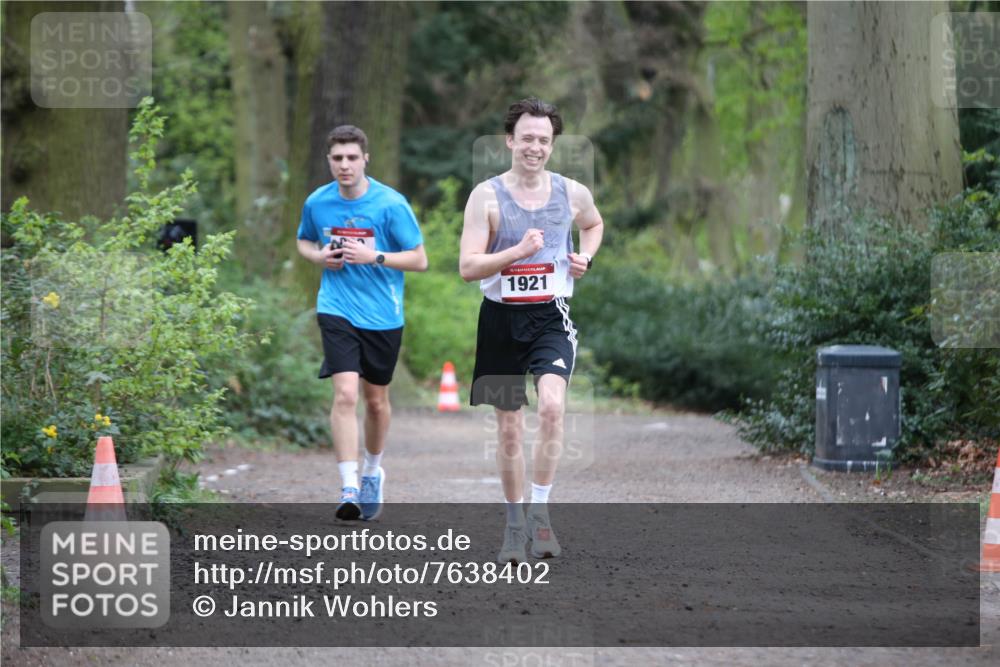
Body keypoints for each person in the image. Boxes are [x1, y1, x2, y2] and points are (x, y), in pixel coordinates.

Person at [459, 98, 604, 563]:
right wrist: (517, 252)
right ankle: (513, 526)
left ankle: (540, 518)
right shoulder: (486, 196)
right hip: (499, 320)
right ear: (510, 141)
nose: (535, 147)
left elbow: (594, 223)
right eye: (527, 139)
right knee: (507, 432)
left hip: (550, 317)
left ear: (552, 144)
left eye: (543, 140)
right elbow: (467, 267)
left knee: (553, 409)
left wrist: (586, 256)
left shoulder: (572, 192)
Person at [296, 125, 427, 521]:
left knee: (376, 402)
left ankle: (372, 470)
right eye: (337, 158)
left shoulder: (390, 204)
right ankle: (349, 485)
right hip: (336, 307)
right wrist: (319, 257)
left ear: (365, 158)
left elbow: (419, 260)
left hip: (383, 314)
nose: (344, 165)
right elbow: (304, 240)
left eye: (352, 157)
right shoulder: (317, 203)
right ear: (329, 161)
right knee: (346, 396)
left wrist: (375, 258)